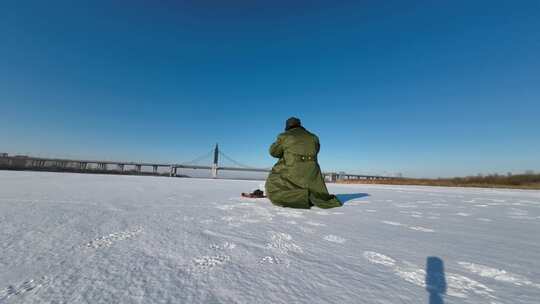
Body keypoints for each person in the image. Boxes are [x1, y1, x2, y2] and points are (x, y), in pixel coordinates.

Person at [265, 117, 342, 209]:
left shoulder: (284, 136)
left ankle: (303, 197)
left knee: (272, 188)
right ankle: (312, 196)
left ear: (287, 127)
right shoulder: (313, 137)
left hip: (292, 171)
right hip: (312, 173)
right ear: (300, 125)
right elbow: (316, 150)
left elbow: (274, 152)